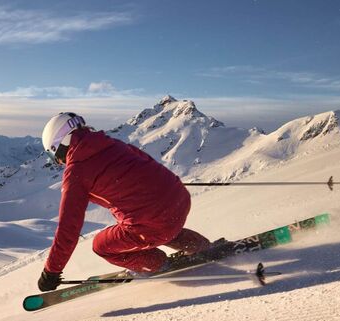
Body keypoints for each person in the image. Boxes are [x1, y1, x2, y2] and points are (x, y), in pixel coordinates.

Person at [37, 112, 211, 292]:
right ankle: (202, 247)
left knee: (101, 246)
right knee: (159, 221)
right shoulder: (112, 143)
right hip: (179, 200)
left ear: (60, 145)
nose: (58, 162)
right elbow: (146, 163)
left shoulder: (76, 171)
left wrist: (51, 271)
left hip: (156, 222)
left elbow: (68, 228)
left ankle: (160, 264)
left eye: (53, 156)